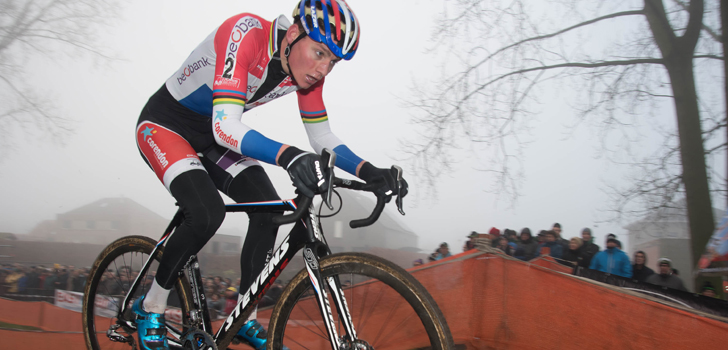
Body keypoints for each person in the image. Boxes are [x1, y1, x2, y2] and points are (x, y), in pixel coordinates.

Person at [131, 2, 407, 350]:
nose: (323, 69)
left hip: (210, 136)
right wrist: (290, 157)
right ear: (293, 34)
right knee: (206, 213)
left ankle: (245, 317)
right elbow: (224, 126)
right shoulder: (246, 33)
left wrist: (372, 172)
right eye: (320, 53)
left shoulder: (302, 70)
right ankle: (150, 305)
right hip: (166, 126)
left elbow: (321, 137)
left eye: (332, 62)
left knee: (269, 208)